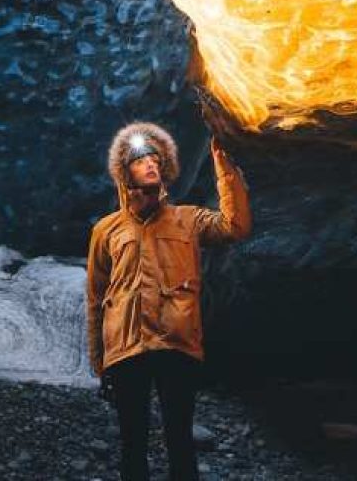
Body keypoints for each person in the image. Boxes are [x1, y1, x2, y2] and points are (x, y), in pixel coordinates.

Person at [86, 121, 251, 481]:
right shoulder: (106, 230)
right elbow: (97, 298)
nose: (150, 163)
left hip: (177, 346)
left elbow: (235, 226)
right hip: (126, 351)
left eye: (155, 159)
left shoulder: (188, 220)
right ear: (124, 171)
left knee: (180, 441)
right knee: (132, 445)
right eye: (141, 159)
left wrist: (224, 167)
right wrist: (101, 363)